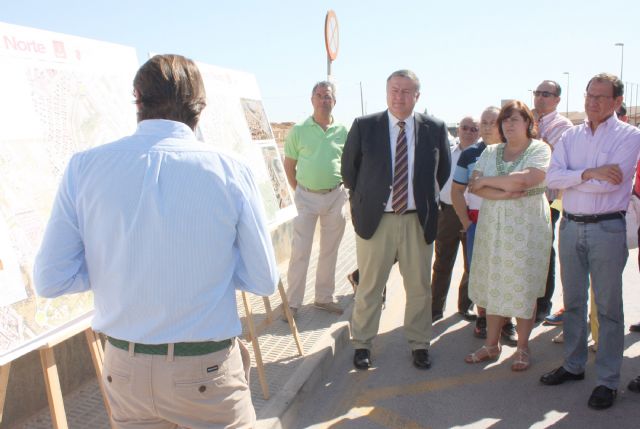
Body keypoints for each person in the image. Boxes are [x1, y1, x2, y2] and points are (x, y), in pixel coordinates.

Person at [33, 54, 278, 428]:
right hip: (207, 371)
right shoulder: (230, 171)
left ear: (137, 99)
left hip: (124, 369)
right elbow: (263, 280)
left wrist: (112, 265)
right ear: (201, 107)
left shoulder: (84, 167)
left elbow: (51, 279)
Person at [541, 73, 640, 410]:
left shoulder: (630, 136)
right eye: (589, 95)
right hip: (569, 227)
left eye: (600, 97)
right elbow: (552, 179)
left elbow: (613, 184)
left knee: (609, 308)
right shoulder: (570, 136)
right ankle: (573, 365)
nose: (592, 102)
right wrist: (589, 173)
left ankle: (607, 380)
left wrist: (576, 178)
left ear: (616, 102)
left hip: (607, 229)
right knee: (573, 302)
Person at [341, 69, 450, 370]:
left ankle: (419, 344)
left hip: (417, 220)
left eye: (406, 91)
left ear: (417, 95)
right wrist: (360, 207)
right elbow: (349, 172)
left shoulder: (434, 128)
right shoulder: (365, 126)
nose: (399, 96)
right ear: (387, 92)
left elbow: (442, 172)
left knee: (418, 288)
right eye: (394, 90)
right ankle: (362, 343)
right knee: (370, 287)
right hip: (377, 221)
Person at [464, 100, 551, 372]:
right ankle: (491, 345)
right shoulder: (490, 151)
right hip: (493, 226)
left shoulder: (539, 148)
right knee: (494, 282)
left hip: (527, 227)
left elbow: (525, 180)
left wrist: (490, 182)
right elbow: (473, 186)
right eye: (505, 120)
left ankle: (523, 348)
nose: (509, 124)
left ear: (528, 123)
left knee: (523, 283)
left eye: (515, 119)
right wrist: (504, 191)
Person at [283, 81, 348, 319]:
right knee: (300, 250)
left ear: (334, 101)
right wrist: (300, 190)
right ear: (312, 100)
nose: (323, 100)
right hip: (306, 197)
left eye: (327, 96)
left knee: (330, 250)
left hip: (335, 197)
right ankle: (292, 303)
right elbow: (289, 164)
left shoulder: (343, 131)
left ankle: (323, 298)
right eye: (319, 96)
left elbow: (350, 162)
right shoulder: (299, 130)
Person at [451, 106, 516, 344]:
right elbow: (457, 191)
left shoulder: (514, 152)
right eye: (484, 123)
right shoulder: (469, 155)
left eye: (493, 122)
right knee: (479, 273)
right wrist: (467, 223)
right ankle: (483, 317)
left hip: (508, 224)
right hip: (477, 223)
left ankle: (507, 322)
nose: (488, 126)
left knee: (506, 272)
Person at [532, 80, 573, 323]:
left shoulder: (563, 126)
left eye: (546, 94)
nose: (540, 98)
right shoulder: (527, 120)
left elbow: (551, 157)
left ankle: (542, 304)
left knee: (544, 250)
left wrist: (534, 135)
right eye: (537, 93)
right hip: (522, 197)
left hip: (547, 199)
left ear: (557, 99)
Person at [431, 116, 479, 322]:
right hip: (448, 214)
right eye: (464, 127)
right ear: (458, 129)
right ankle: (435, 308)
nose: (468, 132)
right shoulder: (447, 153)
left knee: (473, 264)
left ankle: (465, 306)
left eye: (473, 128)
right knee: (443, 262)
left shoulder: (483, 155)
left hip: (473, 214)